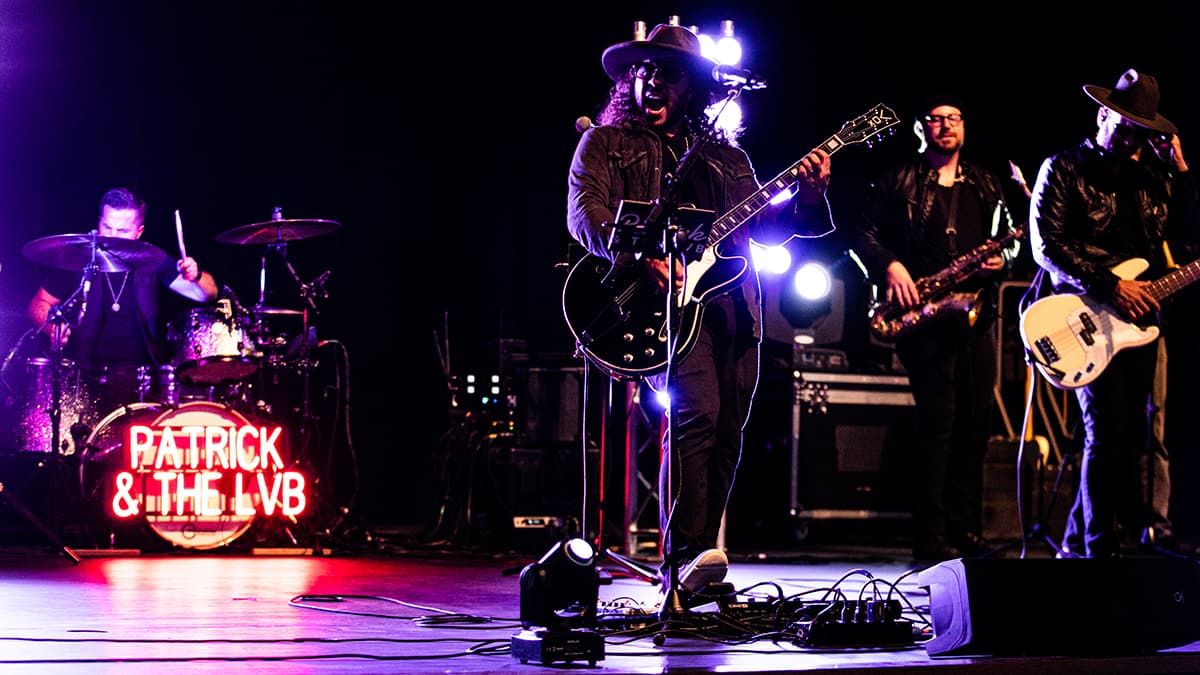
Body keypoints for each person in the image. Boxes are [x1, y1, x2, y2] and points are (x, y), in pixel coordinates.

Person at [565, 23, 833, 597]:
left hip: (733, 306)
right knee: (697, 418)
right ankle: (682, 557)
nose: (653, 81)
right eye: (644, 71)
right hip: (659, 308)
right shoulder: (607, 144)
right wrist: (640, 256)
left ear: (694, 88)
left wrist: (809, 196)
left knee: (730, 431)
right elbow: (585, 214)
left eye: (669, 73)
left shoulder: (725, 158)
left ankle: (700, 564)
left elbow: (765, 230)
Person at [1028, 68, 1196, 558]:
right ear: (1102, 113)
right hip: (1083, 317)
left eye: (1139, 131)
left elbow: (1189, 240)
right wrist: (1111, 284)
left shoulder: (1153, 179)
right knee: (1105, 435)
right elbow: (1047, 246)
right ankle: (1098, 551)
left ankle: (1080, 545)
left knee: (1133, 437)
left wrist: (1180, 172)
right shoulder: (1063, 167)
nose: (1129, 138)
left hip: (1140, 325)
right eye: (1122, 125)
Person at [851, 94, 1020, 562]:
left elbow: (1011, 245)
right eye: (936, 118)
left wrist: (998, 260)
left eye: (954, 118)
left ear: (964, 127)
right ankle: (930, 536)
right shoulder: (897, 178)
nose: (945, 125)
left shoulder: (986, 184)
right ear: (921, 128)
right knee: (938, 422)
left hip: (974, 313)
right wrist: (891, 267)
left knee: (976, 423)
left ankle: (966, 530)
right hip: (923, 315)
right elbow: (861, 234)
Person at [27, 186, 219, 419]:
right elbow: (39, 303)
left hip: (140, 382)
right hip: (82, 376)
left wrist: (195, 277)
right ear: (99, 221)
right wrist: (52, 328)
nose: (113, 236)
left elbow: (206, 295)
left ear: (139, 232)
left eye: (123, 230)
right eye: (107, 227)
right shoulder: (79, 257)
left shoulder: (152, 260)